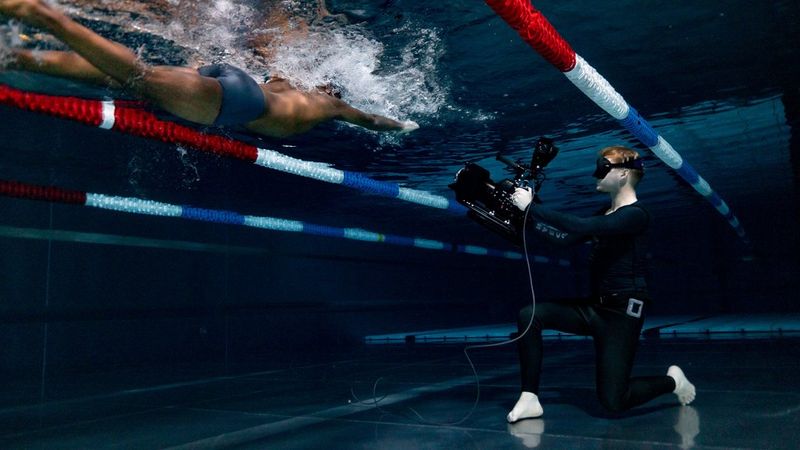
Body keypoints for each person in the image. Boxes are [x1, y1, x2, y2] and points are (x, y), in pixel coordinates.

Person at [0, 0, 419, 138]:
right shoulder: (327, 106)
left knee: (122, 77)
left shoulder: (289, 80)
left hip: (235, 80)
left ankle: (17, 55)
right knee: (135, 74)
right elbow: (370, 119)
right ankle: (47, 18)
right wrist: (403, 127)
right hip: (238, 104)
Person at [505, 145, 695, 422]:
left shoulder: (637, 215)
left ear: (622, 175)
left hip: (621, 314)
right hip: (595, 308)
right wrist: (525, 217)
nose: (595, 174)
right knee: (529, 315)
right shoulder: (605, 212)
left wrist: (533, 207)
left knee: (614, 401)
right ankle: (529, 397)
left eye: (602, 168)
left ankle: (673, 382)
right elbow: (563, 239)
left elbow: (581, 227)